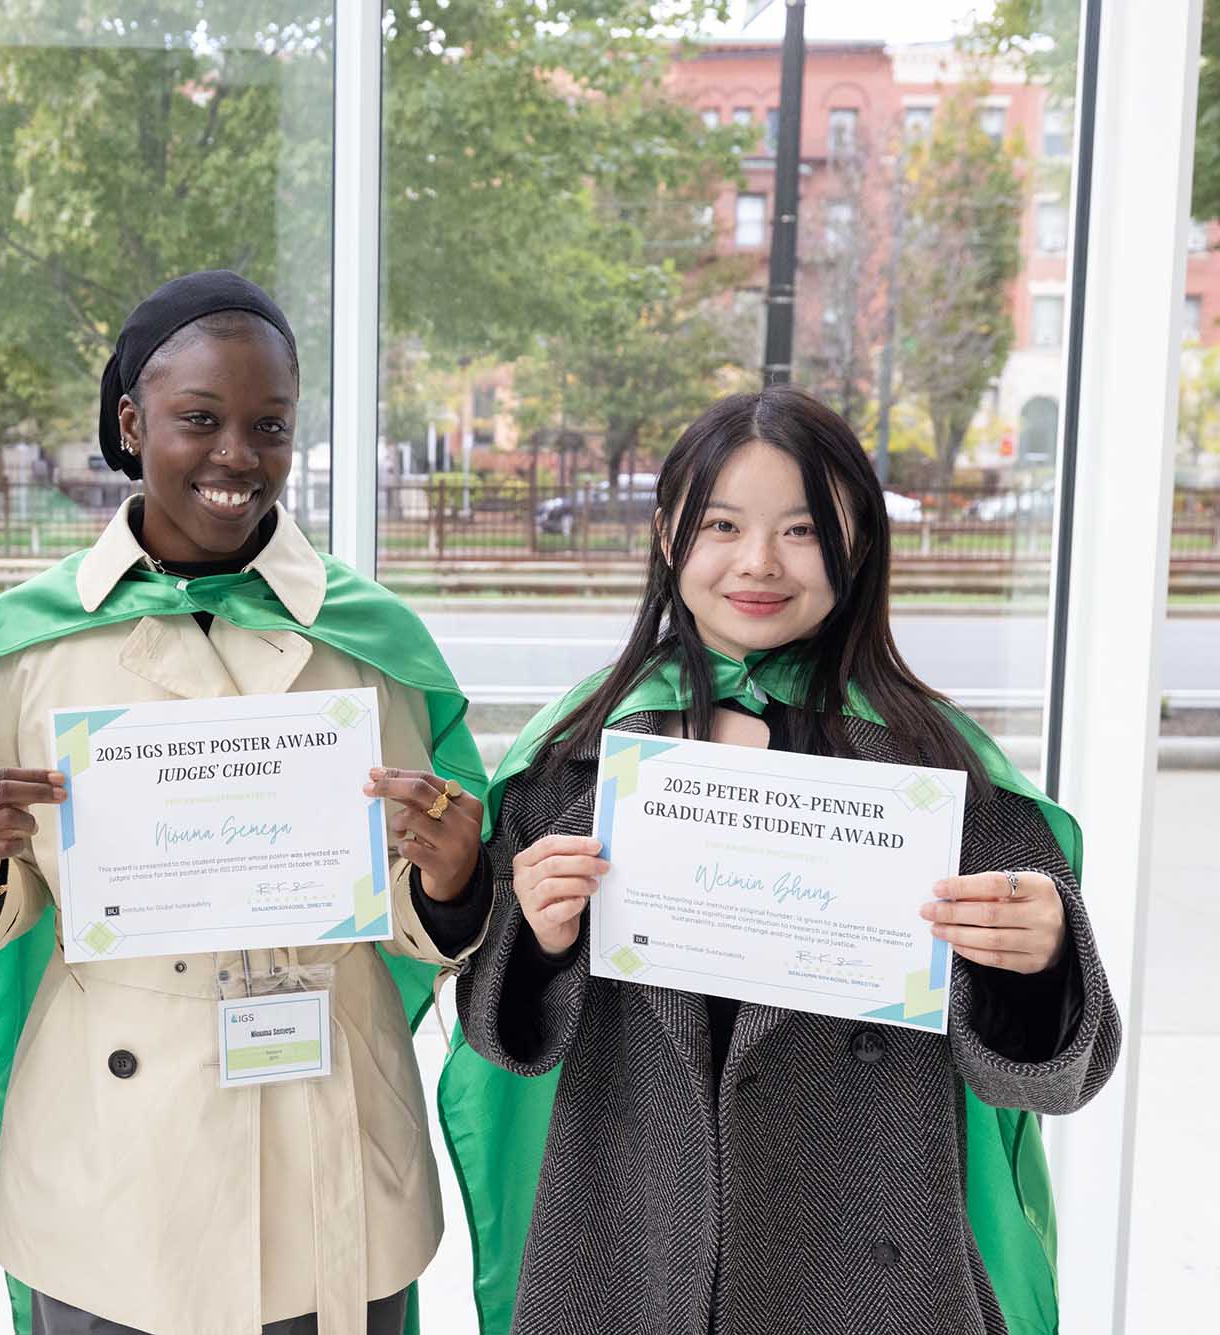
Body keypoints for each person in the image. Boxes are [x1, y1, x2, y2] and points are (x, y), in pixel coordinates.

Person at [455, 385, 1121, 1335]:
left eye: (804, 530)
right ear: (664, 533)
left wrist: (1043, 957)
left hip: (875, 1262)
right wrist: (541, 936)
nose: (758, 562)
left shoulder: (941, 772)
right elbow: (496, 1045)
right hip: (629, 1250)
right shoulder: (575, 759)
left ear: (859, 548)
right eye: (722, 523)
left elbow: (1054, 1081)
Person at [0, 270, 491, 1335]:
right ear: (130, 424)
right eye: (198, 420)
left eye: (267, 425)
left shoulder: (368, 641)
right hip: (112, 1156)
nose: (237, 454)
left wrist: (451, 877)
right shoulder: (27, 648)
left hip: (324, 1114)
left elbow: (423, 912)